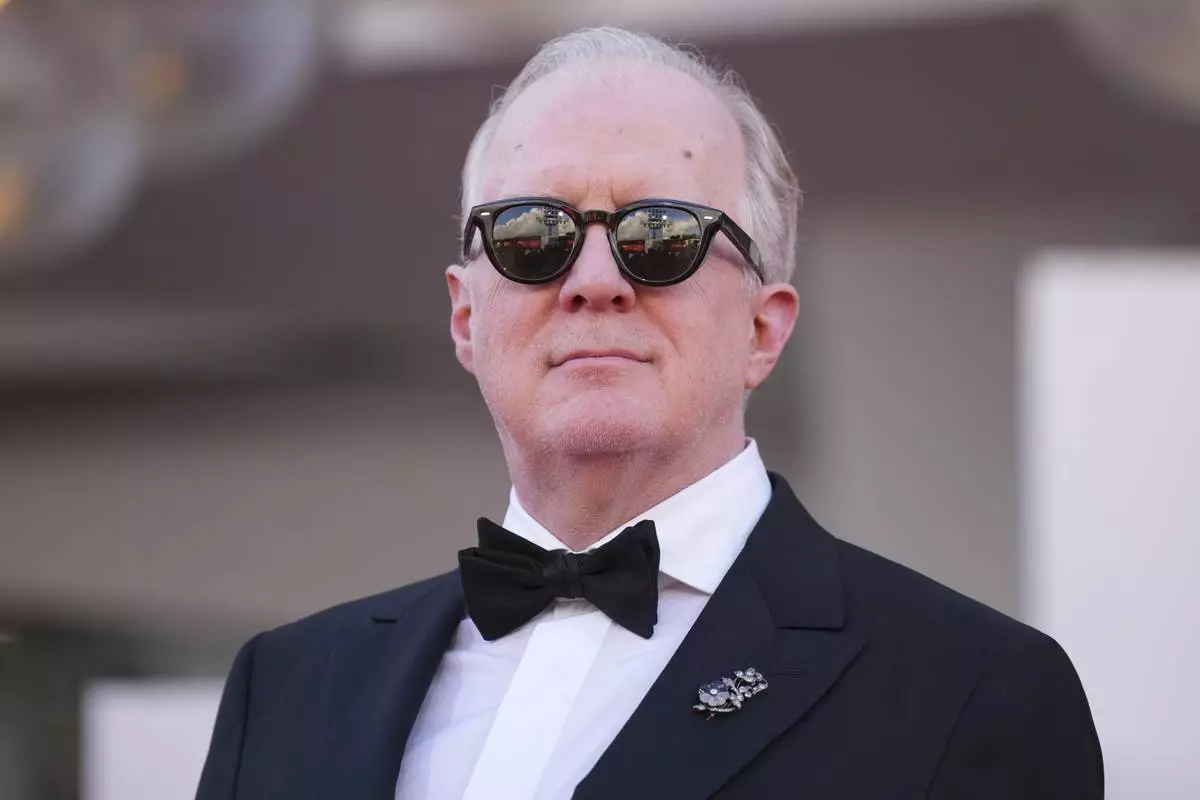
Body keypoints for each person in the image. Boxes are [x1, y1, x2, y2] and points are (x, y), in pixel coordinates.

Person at [196, 26, 1103, 800]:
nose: (595, 283)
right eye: (531, 235)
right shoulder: (285, 688)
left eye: (661, 235)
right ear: (466, 316)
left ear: (762, 325)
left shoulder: (970, 690)